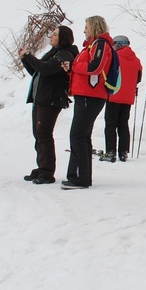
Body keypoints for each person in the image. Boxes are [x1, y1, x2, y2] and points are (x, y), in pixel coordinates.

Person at [61, 16, 115, 190]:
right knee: (82, 136)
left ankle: (79, 178)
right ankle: (81, 176)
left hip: (90, 96)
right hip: (86, 95)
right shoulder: (92, 46)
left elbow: (95, 67)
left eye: (86, 27)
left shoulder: (100, 44)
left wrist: (74, 66)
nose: (84, 30)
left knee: (77, 135)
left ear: (94, 27)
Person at [19, 25, 78, 185]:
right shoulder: (54, 53)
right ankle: (42, 167)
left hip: (51, 100)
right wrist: (25, 59)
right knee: (38, 134)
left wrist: (29, 56)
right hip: (42, 98)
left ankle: (47, 172)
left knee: (44, 134)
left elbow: (45, 69)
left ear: (63, 38)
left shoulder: (66, 54)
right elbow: (38, 72)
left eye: (55, 34)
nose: (51, 36)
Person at [101, 35, 143, 163]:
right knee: (123, 124)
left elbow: (107, 72)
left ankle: (110, 152)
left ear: (118, 45)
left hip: (114, 94)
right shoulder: (136, 60)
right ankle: (123, 152)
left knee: (110, 124)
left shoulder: (114, 57)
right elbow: (139, 78)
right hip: (128, 97)